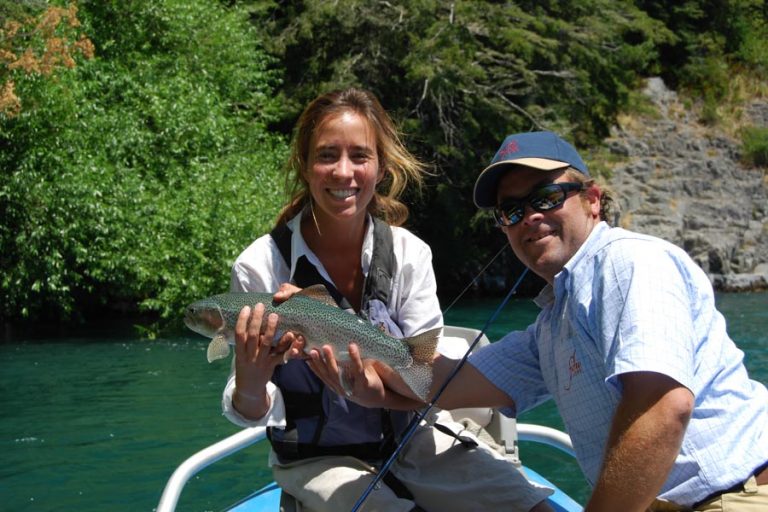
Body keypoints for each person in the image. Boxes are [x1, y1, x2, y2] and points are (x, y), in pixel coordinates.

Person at [311, 131, 768, 512]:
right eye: (511, 210)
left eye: (546, 198)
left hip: (739, 496)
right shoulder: (553, 324)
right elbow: (443, 381)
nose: (529, 218)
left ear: (592, 200)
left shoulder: (629, 264)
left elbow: (663, 410)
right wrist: (335, 328)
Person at [221, 90, 554, 512]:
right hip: (318, 460)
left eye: (360, 156)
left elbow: (429, 380)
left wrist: (378, 389)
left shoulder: (409, 254)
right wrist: (250, 381)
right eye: (327, 155)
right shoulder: (260, 266)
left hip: (416, 435)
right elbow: (251, 410)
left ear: (381, 167)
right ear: (304, 167)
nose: (344, 172)